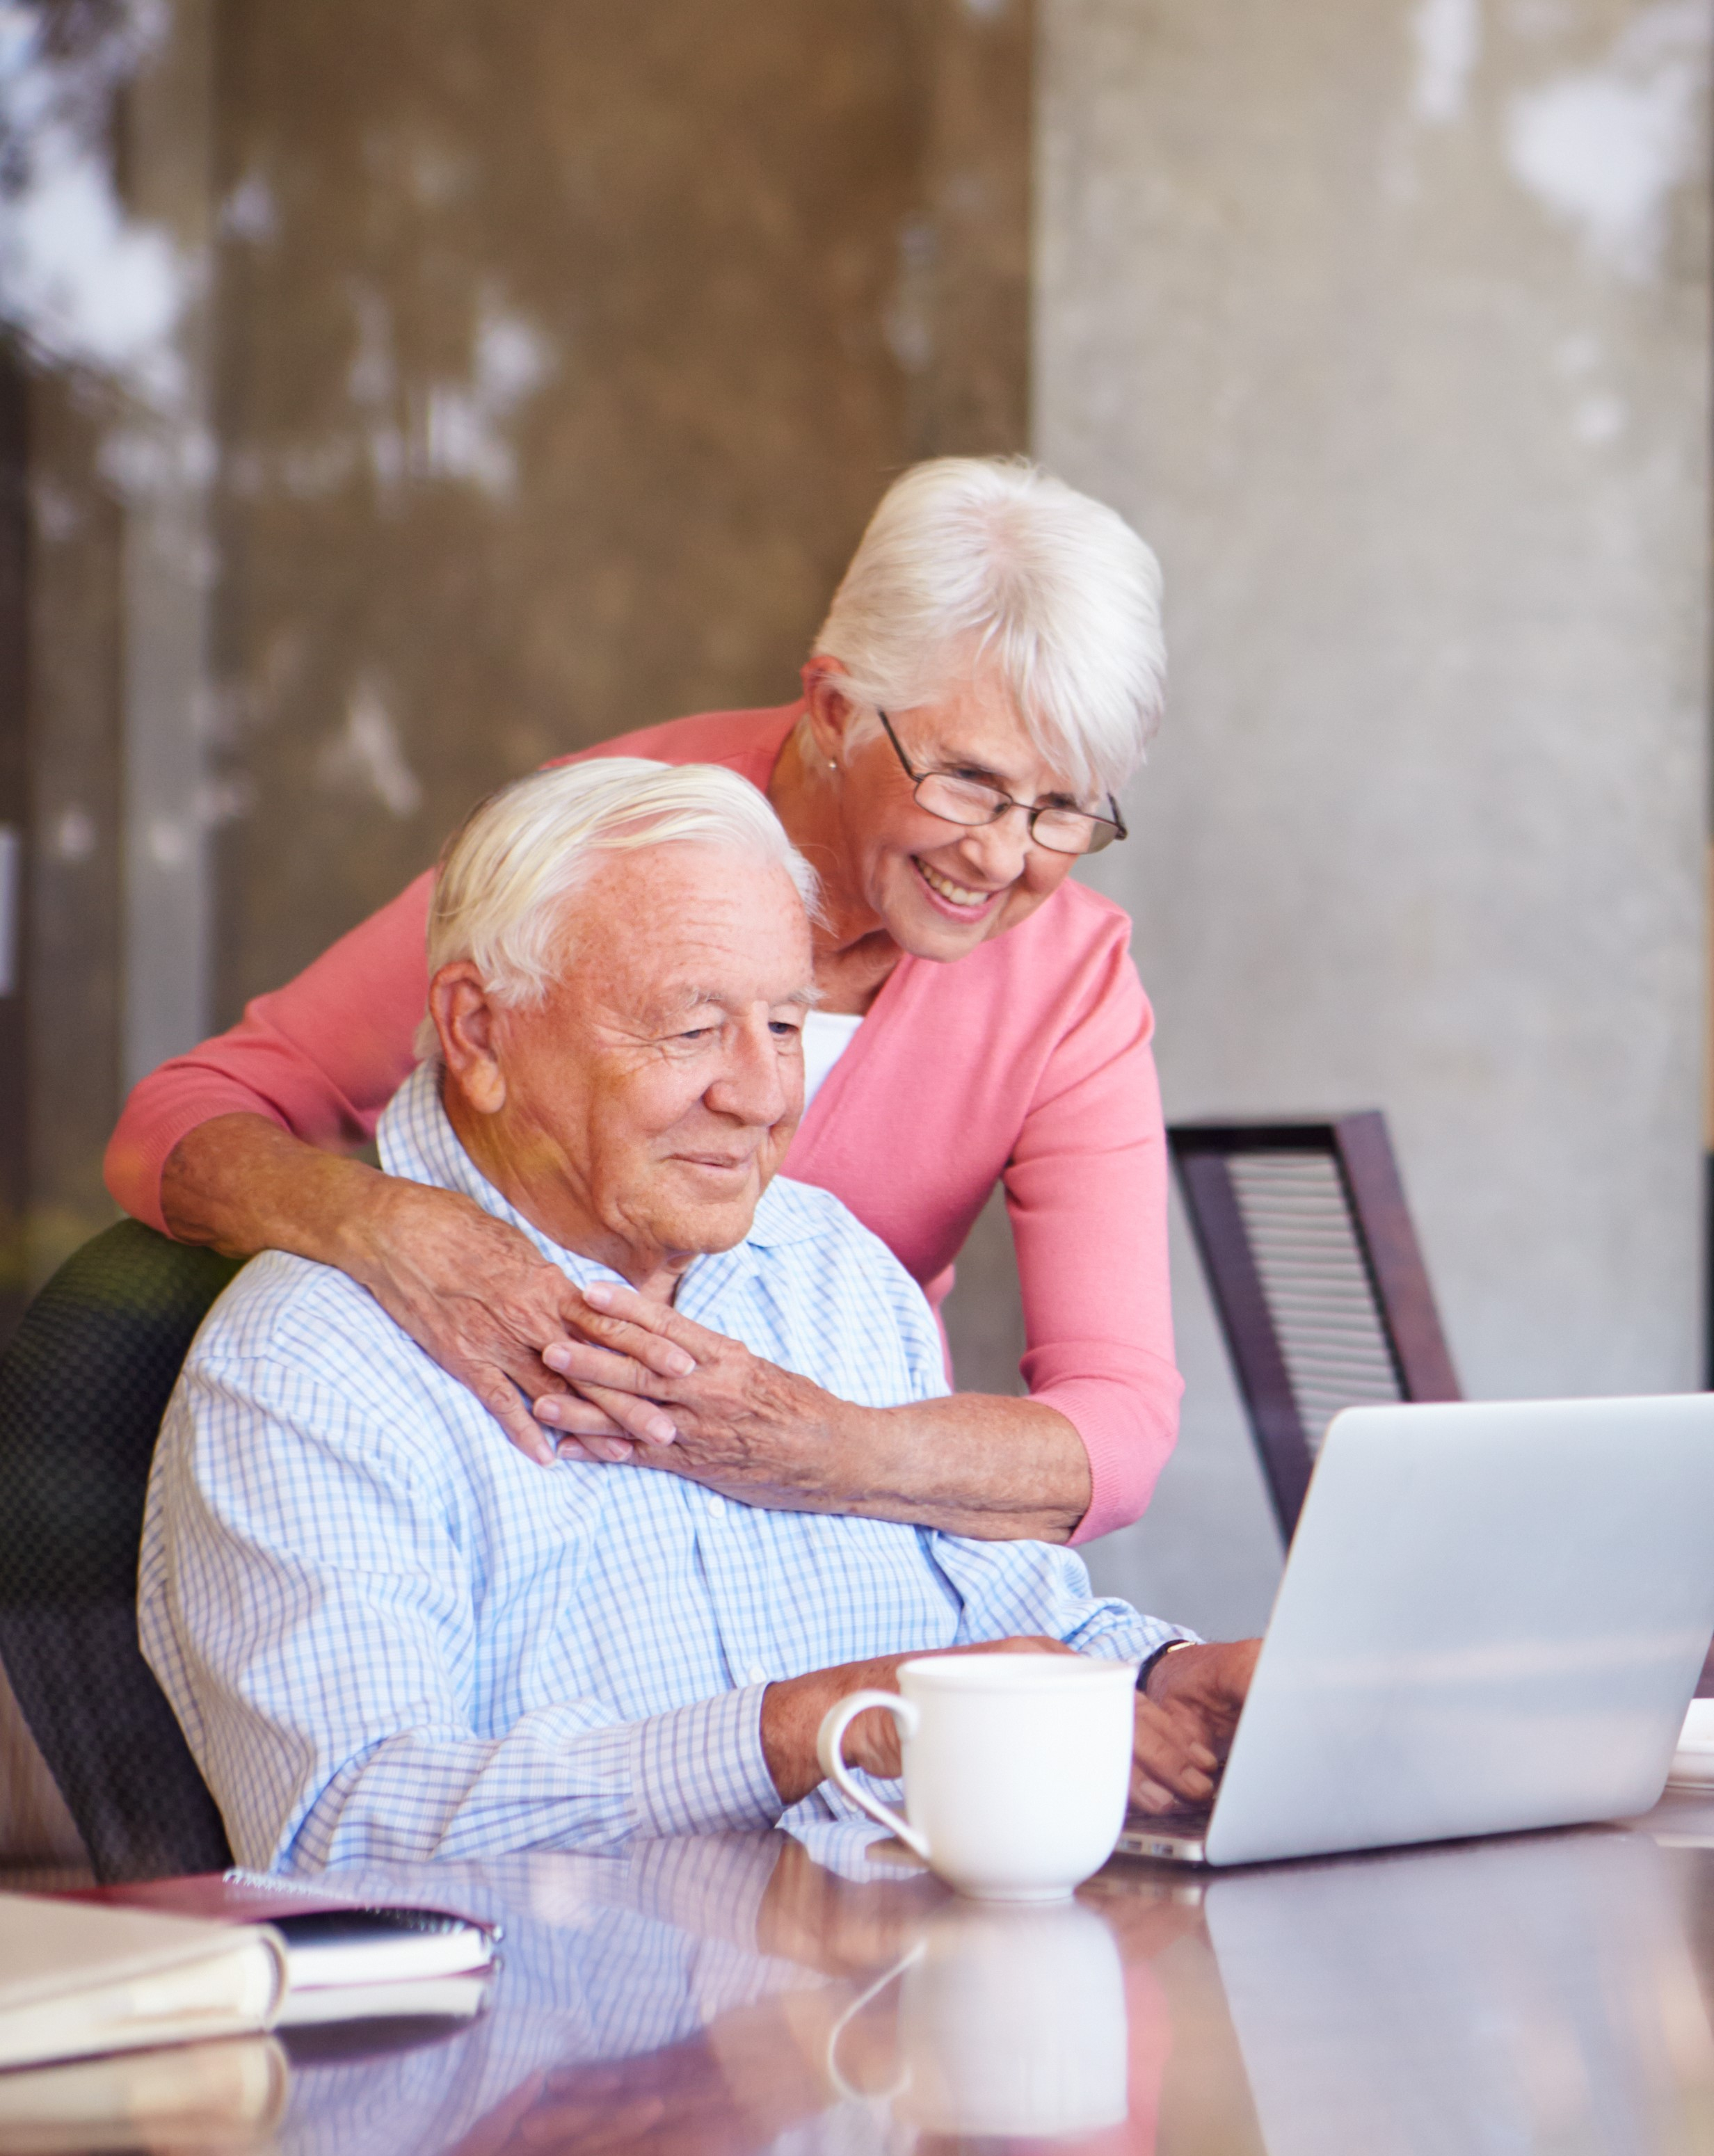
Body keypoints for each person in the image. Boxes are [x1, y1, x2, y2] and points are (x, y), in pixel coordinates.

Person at [139, 759, 1255, 1872]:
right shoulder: (312, 1356)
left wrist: (1162, 1683)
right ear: (480, 1034)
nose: (761, 1097)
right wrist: (789, 1734)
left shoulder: (833, 1270)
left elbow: (1000, 1618)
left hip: (882, 2015)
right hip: (566, 2037)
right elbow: (345, 1827)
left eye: (783, 1027)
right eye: (689, 1032)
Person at [105, 457, 1172, 1549]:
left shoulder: (1069, 977)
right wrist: (394, 1231)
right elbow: (181, 1119)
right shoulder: (602, 848)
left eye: (1063, 806)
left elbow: (1120, 1423)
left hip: (827, 1547)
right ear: (836, 705)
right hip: (524, 1510)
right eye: (967, 781)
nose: (1002, 856)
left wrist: (822, 1449)